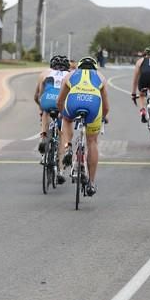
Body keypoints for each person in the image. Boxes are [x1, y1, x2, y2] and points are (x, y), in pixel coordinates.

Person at [57, 56, 110, 196]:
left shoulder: (71, 74)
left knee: (67, 120)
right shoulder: (101, 77)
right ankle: (91, 183)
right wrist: (103, 117)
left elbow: (60, 101)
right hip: (93, 106)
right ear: (95, 67)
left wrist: (63, 113)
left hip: (74, 103)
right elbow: (106, 107)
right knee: (92, 141)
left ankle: (68, 146)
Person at [33, 55, 70, 156]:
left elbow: (39, 95)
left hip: (47, 99)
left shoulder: (45, 73)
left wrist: (41, 109)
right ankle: (61, 168)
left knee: (45, 111)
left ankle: (43, 136)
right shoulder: (70, 75)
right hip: (61, 102)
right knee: (62, 132)